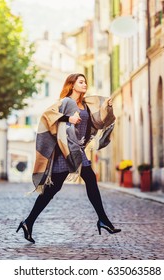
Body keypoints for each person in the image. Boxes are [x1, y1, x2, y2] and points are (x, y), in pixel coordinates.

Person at [17, 73, 121, 243]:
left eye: (86, 81)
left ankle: (28, 222)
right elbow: (47, 116)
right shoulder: (66, 102)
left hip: (77, 149)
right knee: (62, 187)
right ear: (72, 85)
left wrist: (107, 108)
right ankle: (103, 220)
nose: (85, 84)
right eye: (81, 82)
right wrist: (68, 118)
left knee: (64, 186)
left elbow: (98, 122)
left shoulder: (86, 105)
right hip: (64, 150)